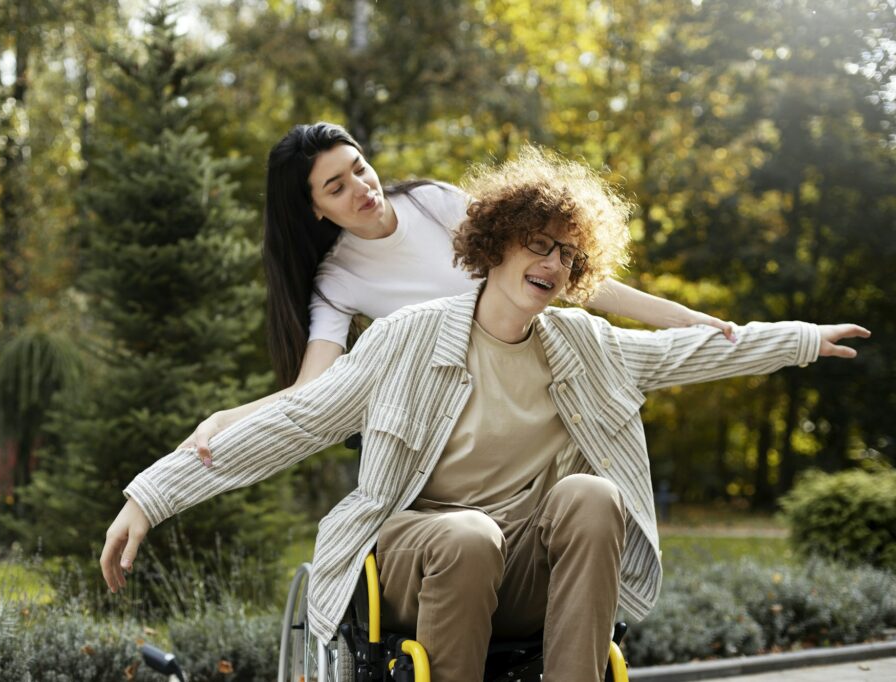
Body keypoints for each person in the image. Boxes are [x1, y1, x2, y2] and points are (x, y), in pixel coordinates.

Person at [101, 147, 869, 682]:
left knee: (597, 496)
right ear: (493, 246)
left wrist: (802, 339)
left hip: (527, 561)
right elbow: (295, 423)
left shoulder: (582, 344)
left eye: (568, 254)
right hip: (419, 553)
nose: (552, 263)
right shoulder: (408, 340)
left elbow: (696, 354)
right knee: (468, 534)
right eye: (537, 244)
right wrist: (152, 494)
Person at [176, 122, 737, 463]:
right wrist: (226, 419)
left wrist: (683, 317)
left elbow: (559, 278)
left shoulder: (436, 205)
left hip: (522, 378)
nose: (361, 189)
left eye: (359, 168)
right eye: (336, 187)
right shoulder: (337, 280)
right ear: (315, 209)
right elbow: (309, 392)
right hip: (449, 412)